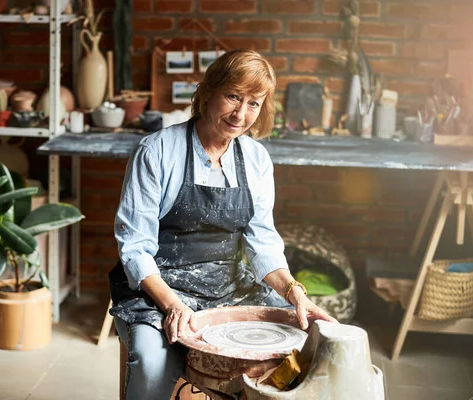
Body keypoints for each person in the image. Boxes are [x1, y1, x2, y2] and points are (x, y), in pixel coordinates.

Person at [108, 49, 336, 399]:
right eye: (232, 96)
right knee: (153, 363)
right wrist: (173, 306)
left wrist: (295, 292)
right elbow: (135, 248)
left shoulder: (256, 158)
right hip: (157, 290)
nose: (240, 114)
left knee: (291, 350)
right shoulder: (156, 151)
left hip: (226, 286)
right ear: (207, 92)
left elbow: (263, 243)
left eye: (254, 103)